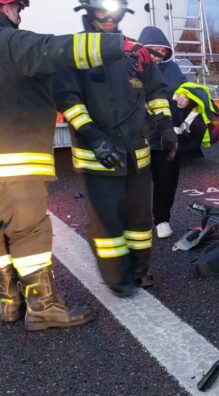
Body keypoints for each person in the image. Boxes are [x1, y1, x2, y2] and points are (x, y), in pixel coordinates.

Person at [0, 0, 152, 329]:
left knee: (2, 236)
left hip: (130, 151)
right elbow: (58, 53)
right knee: (29, 233)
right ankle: (44, 306)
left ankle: (9, 302)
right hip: (18, 164)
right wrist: (121, 45)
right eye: (15, 8)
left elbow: (154, 90)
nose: (18, 14)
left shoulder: (134, 63)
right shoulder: (14, 42)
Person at [52, 0, 177, 298]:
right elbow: (68, 99)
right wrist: (93, 136)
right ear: (89, 13)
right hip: (98, 156)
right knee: (107, 221)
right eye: (101, 13)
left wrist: (166, 125)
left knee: (139, 220)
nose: (109, 19)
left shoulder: (136, 52)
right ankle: (116, 278)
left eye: (115, 14)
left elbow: (156, 92)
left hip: (136, 154)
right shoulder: (74, 51)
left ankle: (139, 268)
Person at [138, 26, 219, 239]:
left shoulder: (173, 70)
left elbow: (187, 92)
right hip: (138, 139)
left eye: (161, 50)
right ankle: (135, 223)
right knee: (134, 185)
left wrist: (187, 101)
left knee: (166, 182)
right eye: (152, 50)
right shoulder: (131, 68)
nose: (158, 54)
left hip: (167, 140)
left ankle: (162, 220)